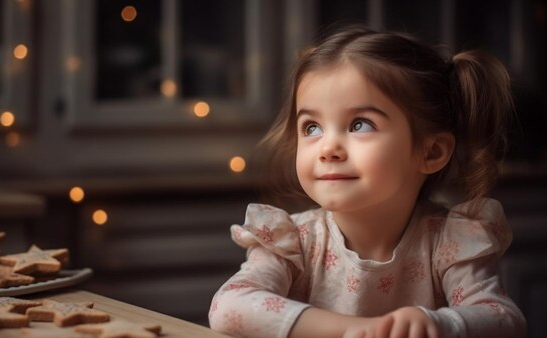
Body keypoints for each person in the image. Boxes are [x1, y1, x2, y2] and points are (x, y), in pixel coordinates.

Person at [208, 25, 526, 338]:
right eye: (312, 128)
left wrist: (441, 324)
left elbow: (505, 319)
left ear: (431, 152)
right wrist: (360, 331)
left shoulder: (450, 243)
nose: (328, 148)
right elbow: (229, 306)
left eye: (360, 124)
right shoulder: (292, 242)